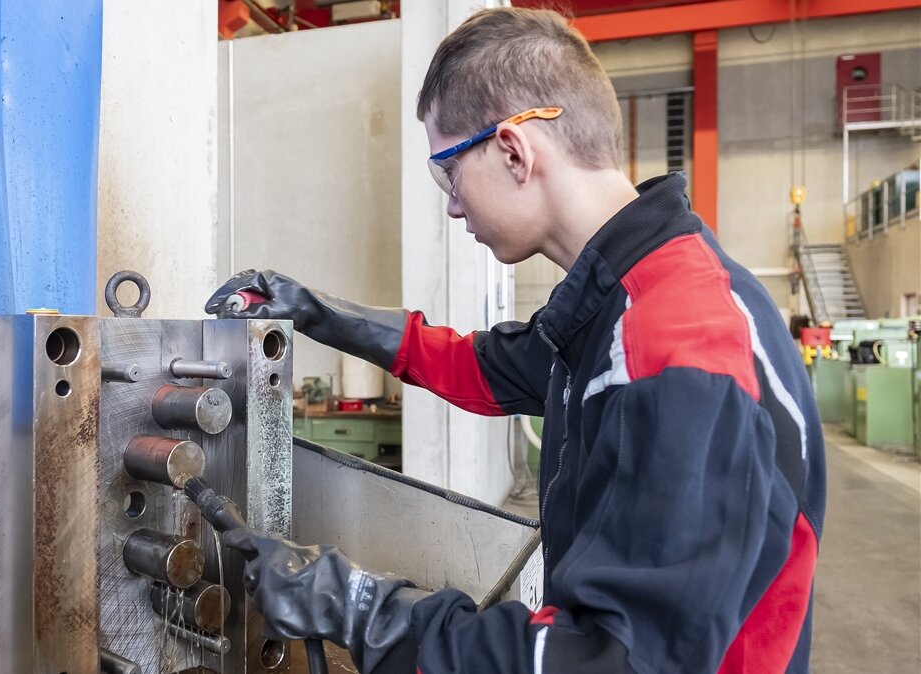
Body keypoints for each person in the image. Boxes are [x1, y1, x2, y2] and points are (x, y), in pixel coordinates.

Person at [205, 7, 825, 674]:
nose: (452, 204)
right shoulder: (626, 297)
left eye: (449, 172)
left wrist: (359, 609)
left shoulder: (675, 352)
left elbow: (604, 660)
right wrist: (318, 313)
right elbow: (486, 367)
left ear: (513, 149)